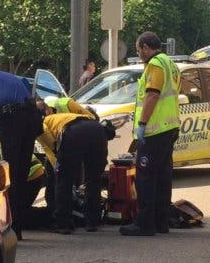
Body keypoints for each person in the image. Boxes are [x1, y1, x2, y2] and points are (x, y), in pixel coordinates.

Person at [120, 32, 181, 237]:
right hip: (169, 128)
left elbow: (153, 94)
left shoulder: (155, 64)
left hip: (155, 129)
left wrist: (142, 123)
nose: (139, 55)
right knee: (163, 177)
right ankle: (161, 222)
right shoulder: (170, 64)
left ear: (146, 47)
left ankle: (144, 224)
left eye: (139, 50)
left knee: (145, 177)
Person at [0, 70, 42, 239]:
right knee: (20, 175)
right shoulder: (9, 77)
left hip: (11, 120)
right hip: (31, 119)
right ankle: (17, 228)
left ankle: (10, 229)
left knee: (8, 175)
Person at [35, 99, 106, 234]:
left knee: (64, 181)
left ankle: (64, 224)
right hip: (96, 130)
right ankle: (92, 222)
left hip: (73, 133)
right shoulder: (65, 115)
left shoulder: (43, 123)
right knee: (94, 179)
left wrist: (59, 167)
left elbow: (52, 146)